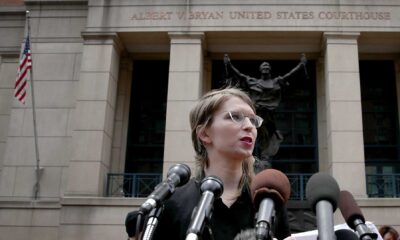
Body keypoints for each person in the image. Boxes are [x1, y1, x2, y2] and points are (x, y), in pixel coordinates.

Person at [125, 88, 292, 240]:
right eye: (235, 117)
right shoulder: (173, 203)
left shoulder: (269, 199)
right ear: (204, 133)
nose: (249, 126)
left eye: (253, 120)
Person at [223, 54, 307, 170]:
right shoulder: (253, 82)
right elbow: (239, 75)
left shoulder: (276, 82)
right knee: (250, 135)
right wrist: (229, 64)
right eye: (264, 67)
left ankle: (263, 160)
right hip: (257, 116)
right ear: (260, 70)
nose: (266, 69)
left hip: (269, 117)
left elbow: (289, 76)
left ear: (270, 70)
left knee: (269, 139)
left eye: (267, 67)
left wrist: (301, 65)